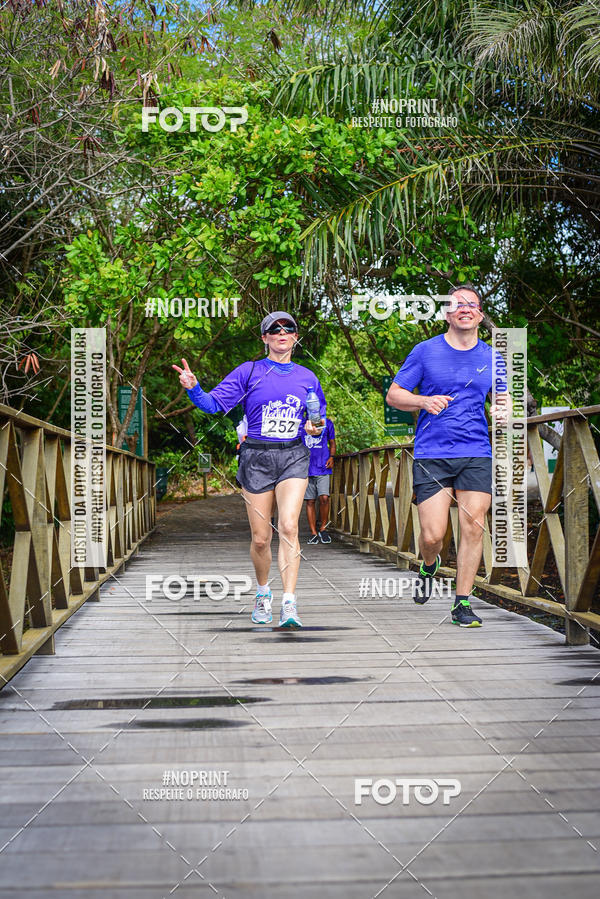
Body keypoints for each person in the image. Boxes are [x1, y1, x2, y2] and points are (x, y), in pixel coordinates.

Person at [172, 311, 326, 629]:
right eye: (274, 329)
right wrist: (193, 388)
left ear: (296, 337)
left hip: (293, 457)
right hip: (256, 457)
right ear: (264, 337)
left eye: (289, 329)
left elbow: (318, 419)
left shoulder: (308, 378)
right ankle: (263, 592)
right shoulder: (250, 371)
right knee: (260, 538)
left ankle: (289, 604)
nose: (282, 333)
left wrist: (314, 428)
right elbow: (214, 405)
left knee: (288, 527)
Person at [385, 285, 507, 627]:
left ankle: (462, 603)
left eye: (472, 305)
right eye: (457, 304)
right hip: (433, 452)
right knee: (432, 535)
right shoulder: (426, 351)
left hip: (476, 452)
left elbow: (502, 398)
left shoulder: (492, 357)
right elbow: (395, 395)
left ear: (480, 315)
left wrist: (503, 410)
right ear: (446, 314)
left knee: (474, 525)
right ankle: (428, 565)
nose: (465, 309)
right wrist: (424, 401)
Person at [304, 416, 336, 544]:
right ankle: (313, 532)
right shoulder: (302, 423)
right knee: (310, 500)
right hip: (306, 467)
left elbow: (332, 442)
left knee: (324, 498)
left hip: (323, 466)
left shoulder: (327, 422)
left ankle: (323, 528)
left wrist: (332, 456)